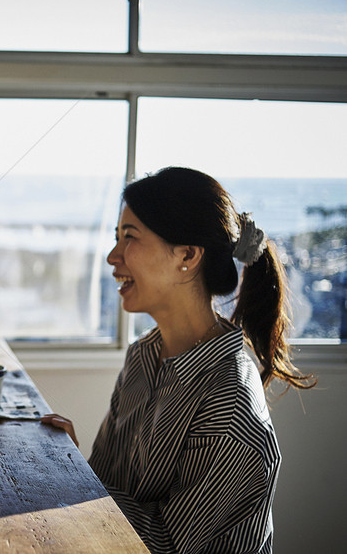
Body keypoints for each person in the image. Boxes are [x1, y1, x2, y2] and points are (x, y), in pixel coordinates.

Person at [41, 167, 315, 554]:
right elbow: (104, 483)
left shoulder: (231, 400)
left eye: (129, 238)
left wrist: (71, 478)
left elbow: (166, 545)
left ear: (187, 254)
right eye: (116, 238)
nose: (112, 257)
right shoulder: (144, 355)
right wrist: (70, 462)